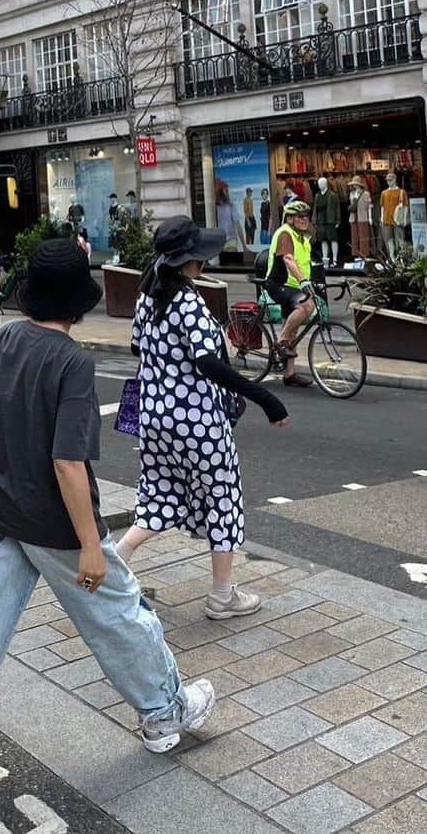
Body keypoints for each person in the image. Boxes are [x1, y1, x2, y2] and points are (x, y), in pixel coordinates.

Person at [0, 240, 215, 803]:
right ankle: (165, 715)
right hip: (55, 525)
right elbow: (67, 462)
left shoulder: (5, 338)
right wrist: (91, 547)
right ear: (78, 304)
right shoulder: (73, 361)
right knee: (122, 618)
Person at [116, 218, 289, 620]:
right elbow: (208, 363)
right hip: (196, 419)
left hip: (154, 415)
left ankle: (118, 557)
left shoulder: (148, 297)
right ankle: (222, 595)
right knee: (223, 497)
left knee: (161, 493)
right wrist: (265, 398)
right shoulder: (188, 302)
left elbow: (136, 348)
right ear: (189, 261)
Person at [265, 200, 317, 386]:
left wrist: (310, 281)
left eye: (306, 216)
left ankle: (289, 374)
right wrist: (304, 282)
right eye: (300, 217)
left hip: (293, 286)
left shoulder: (302, 237)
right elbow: (288, 259)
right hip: (279, 284)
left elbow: (304, 263)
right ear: (291, 218)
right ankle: (280, 342)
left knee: (294, 328)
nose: (305, 220)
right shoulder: (285, 234)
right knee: (307, 306)